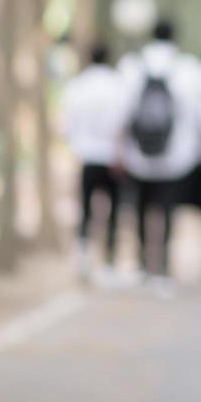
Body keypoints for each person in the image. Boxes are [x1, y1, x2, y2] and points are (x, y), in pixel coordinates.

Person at [119, 19, 201, 296]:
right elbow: (200, 113)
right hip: (177, 157)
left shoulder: (130, 66)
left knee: (142, 208)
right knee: (168, 209)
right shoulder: (189, 68)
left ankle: (145, 265)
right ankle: (166, 269)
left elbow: (122, 111)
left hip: (138, 154)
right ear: (175, 38)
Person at [59, 43, 129, 282]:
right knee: (112, 212)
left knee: (85, 210)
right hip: (112, 157)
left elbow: (67, 124)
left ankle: (82, 258)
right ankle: (108, 263)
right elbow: (123, 123)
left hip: (87, 156)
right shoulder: (117, 85)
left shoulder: (78, 86)